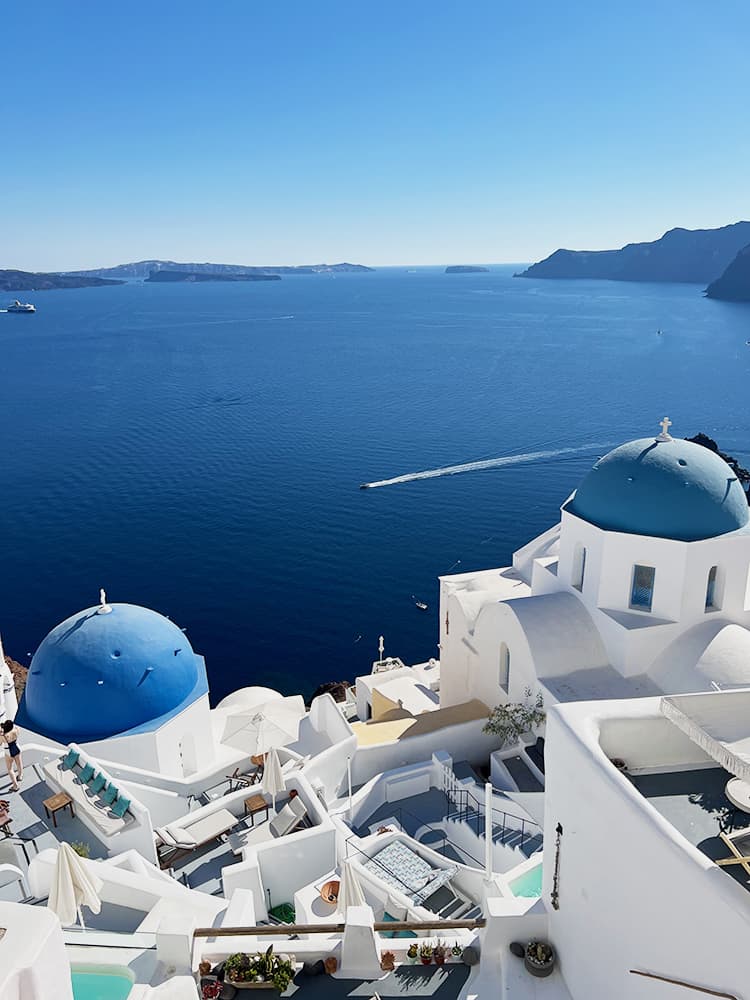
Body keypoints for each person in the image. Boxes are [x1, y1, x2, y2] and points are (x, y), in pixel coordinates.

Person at [1, 721, 22, 791]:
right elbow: (18, 730)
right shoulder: (15, 730)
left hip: (8, 751)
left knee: (10, 769)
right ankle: (20, 776)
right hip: (16, 747)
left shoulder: (3, 736)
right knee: (19, 763)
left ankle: (15, 786)